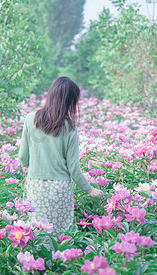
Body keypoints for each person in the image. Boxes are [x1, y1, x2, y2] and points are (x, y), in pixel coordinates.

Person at [18, 76, 103, 234]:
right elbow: (73, 168)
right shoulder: (70, 127)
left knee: (37, 232)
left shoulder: (31, 119)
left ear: (51, 94)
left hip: (35, 185)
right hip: (60, 189)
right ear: (71, 101)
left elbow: (22, 156)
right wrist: (89, 189)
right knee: (59, 235)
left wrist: (28, 167)